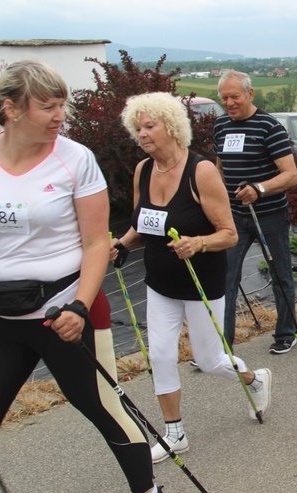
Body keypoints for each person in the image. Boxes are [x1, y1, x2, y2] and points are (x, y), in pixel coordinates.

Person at [0, 61, 164, 493]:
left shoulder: (74, 157)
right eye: (48, 107)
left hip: (66, 309)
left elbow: (98, 243)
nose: (61, 116)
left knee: (104, 410)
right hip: (5, 313)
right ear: (12, 108)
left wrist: (80, 305)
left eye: (63, 105)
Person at [113, 92, 272, 463]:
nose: (142, 134)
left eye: (150, 126)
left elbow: (229, 234)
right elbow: (142, 225)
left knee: (210, 358)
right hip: (160, 283)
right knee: (162, 354)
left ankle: (256, 379)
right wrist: (121, 244)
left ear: (171, 127)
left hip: (202, 282)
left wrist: (198, 243)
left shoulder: (201, 171)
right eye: (137, 128)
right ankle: (174, 432)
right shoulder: (143, 170)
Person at [214, 69, 297, 354]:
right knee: (225, 277)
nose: (229, 103)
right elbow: (219, 168)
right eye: (224, 97)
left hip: (269, 215)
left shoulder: (269, 127)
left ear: (250, 94)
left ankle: (286, 332)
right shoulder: (220, 126)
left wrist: (260, 189)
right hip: (233, 217)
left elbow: (291, 175)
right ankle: (221, 345)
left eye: (234, 96)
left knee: (280, 274)